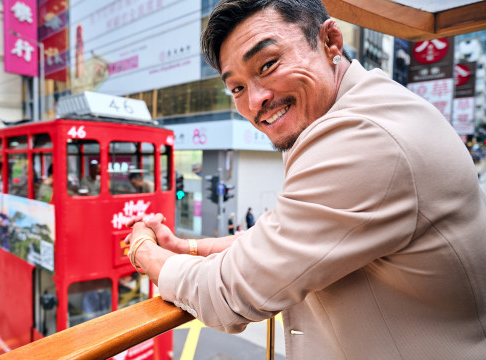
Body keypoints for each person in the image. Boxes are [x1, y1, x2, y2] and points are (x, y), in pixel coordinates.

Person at [124, 1, 486, 359]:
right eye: (236, 88)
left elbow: (228, 294)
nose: (255, 101)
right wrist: (190, 248)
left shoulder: (363, 138)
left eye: (268, 64)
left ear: (330, 41)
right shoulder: (367, 108)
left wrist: (142, 249)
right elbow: (284, 237)